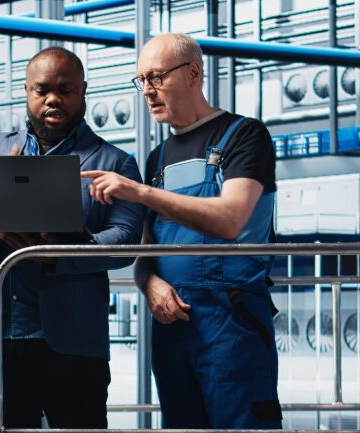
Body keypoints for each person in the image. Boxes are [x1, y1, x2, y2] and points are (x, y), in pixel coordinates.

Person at [0, 47, 145, 428]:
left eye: (65, 89)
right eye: (42, 89)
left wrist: (61, 255)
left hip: (73, 338)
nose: (54, 99)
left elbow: (127, 240)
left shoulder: (114, 162)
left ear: (83, 91)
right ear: (28, 92)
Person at [81, 33, 282, 429]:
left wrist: (141, 192)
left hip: (232, 320)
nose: (148, 91)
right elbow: (147, 252)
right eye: (142, 81)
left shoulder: (244, 136)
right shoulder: (158, 158)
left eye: (156, 77)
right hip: (173, 327)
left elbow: (230, 218)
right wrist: (148, 283)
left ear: (193, 73)